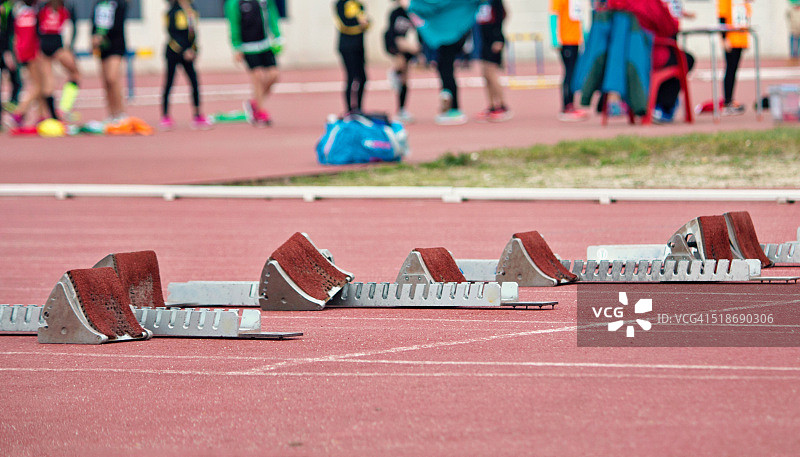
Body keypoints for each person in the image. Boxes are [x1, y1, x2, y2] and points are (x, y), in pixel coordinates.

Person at [225, 0, 281, 126]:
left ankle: (254, 103)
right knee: (258, 76)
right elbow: (233, 24)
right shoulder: (234, 3)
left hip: (265, 44)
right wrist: (236, 46)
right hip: (248, 47)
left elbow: (272, 16)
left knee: (274, 75)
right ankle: (260, 112)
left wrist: (277, 36)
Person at [161, 0, 210, 130]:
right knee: (169, 82)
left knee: (194, 82)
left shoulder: (192, 10)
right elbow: (172, 33)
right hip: (174, 52)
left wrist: (194, 50)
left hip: (189, 53)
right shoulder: (172, 11)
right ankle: (165, 116)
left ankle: (197, 115)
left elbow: (193, 33)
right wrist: (183, 50)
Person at [37, 0, 80, 121]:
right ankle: (63, 109)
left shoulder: (44, 7)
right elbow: (74, 28)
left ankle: (54, 116)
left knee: (48, 82)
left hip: (46, 44)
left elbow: (37, 29)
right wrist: (70, 46)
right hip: (56, 44)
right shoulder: (65, 7)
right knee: (75, 74)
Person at [9, 0, 45, 127]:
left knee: (39, 84)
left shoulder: (19, 11)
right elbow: (32, 35)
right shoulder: (32, 12)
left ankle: (41, 116)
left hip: (23, 51)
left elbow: (16, 35)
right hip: (30, 52)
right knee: (38, 86)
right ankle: (19, 113)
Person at [550, 0, 588, 121]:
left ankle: (571, 104)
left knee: (574, 73)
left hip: (576, 40)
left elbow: (579, 19)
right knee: (569, 72)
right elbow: (553, 16)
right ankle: (567, 106)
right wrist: (554, 38)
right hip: (566, 41)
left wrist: (584, 36)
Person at [91, 0, 128, 122]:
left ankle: (120, 112)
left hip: (116, 44)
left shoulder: (119, 3)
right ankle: (111, 113)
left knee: (112, 78)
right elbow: (94, 23)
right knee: (106, 81)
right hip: (102, 47)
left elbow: (117, 24)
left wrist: (102, 36)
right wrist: (93, 38)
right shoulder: (98, 4)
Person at [475, 0, 511, 122]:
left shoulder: (495, 1)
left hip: (494, 40)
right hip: (483, 40)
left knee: (491, 73)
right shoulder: (479, 2)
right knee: (485, 73)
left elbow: (501, 16)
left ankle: (502, 105)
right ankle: (491, 106)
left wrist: (498, 38)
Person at [384, 0, 418, 123]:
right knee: (400, 63)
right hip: (393, 43)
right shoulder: (395, 13)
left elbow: (419, 30)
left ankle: (402, 109)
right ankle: (393, 72)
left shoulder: (413, 13)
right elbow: (391, 34)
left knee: (404, 80)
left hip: (406, 45)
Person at [717, 0, 751, 115]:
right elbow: (722, 16)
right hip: (731, 38)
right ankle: (727, 101)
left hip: (740, 38)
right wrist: (724, 38)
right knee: (730, 69)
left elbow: (745, 16)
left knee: (734, 69)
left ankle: (730, 99)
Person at [334, 0, 368, 113]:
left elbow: (366, 23)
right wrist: (359, 22)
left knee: (362, 78)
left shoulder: (359, 5)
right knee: (351, 77)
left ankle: (359, 108)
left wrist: (365, 23)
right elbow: (344, 24)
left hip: (359, 46)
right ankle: (349, 110)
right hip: (347, 46)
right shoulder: (340, 4)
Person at [0, 0, 22, 120]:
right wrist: (6, 52)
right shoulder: (5, 8)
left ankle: (13, 109)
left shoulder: (10, 7)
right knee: (15, 80)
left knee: (16, 81)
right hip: (4, 50)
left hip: (8, 49)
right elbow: (5, 32)